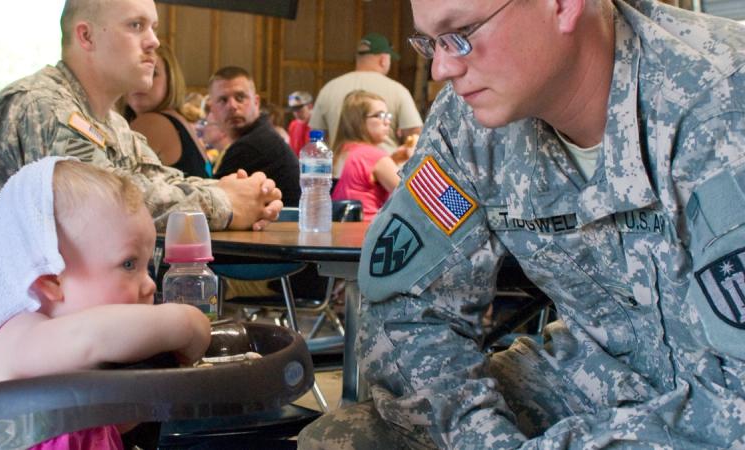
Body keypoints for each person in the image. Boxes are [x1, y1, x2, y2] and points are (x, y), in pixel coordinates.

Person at [299, 0, 745, 448]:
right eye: (430, 42)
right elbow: (408, 315)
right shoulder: (468, 125)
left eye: (462, 33)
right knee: (344, 439)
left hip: (724, 405)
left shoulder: (722, 99)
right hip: (598, 379)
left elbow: (733, 408)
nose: (441, 68)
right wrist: (487, 441)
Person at [0, 0, 282, 332]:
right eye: (136, 26)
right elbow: (118, 210)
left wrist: (242, 194)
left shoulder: (110, 121)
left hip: (51, 328)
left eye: (153, 27)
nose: (153, 41)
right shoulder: (42, 106)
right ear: (86, 36)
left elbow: (159, 180)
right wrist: (227, 203)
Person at [0, 157, 211, 449]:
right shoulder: (16, 337)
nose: (150, 283)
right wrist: (187, 323)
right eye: (128, 264)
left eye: (147, 266)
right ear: (51, 280)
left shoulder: (80, 356)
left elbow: (114, 419)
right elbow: (92, 337)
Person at [309, 32, 423, 153]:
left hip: (342, 167)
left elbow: (316, 136)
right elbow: (414, 135)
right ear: (383, 60)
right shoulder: (398, 90)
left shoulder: (328, 89)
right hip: (384, 166)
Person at [208, 66, 301, 206]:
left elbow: (212, 204)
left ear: (256, 102)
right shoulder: (260, 134)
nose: (232, 106)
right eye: (223, 100)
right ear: (212, 109)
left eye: (240, 98)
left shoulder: (252, 145)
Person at [123, 44, 208, 177]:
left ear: (170, 79)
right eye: (133, 71)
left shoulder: (152, 123)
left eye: (152, 72)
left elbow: (115, 185)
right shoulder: (177, 119)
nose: (141, 80)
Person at [331, 90, 402, 221]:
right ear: (357, 121)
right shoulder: (373, 155)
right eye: (379, 115)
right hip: (367, 233)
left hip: (339, 233)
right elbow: (413, 195)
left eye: (387, 115)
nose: (387, 122)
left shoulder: (339, 151)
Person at [287, 90, 313, 156]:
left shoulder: (316, 125)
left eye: (298, 108)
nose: (296, 112)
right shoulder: (293, 125)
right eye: (293, 109)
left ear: (310, 106)